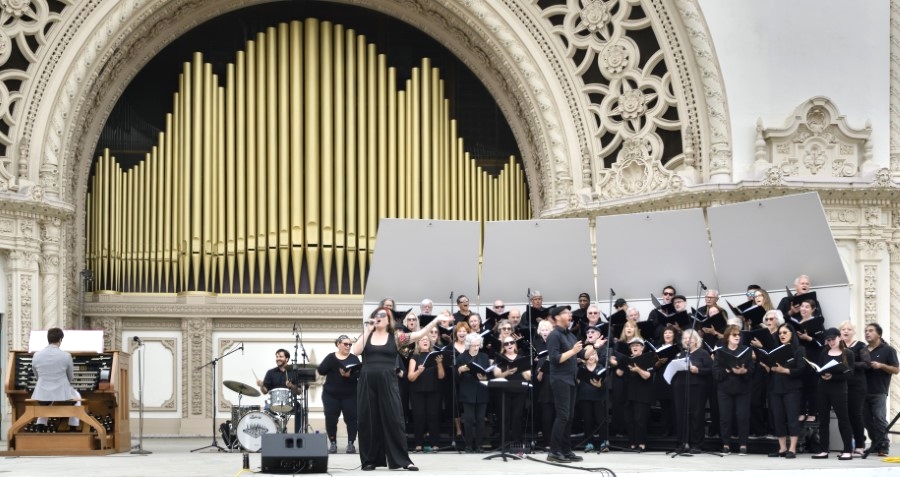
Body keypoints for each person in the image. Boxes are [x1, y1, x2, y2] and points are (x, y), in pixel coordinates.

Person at [351, 306, 451, 471]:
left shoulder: (396, 337)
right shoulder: (367, 335)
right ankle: (370, 460)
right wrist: (368, 329)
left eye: (383, 315)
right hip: (367, 382)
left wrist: (436, 321)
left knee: (394, 419)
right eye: (377, 315)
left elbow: (419, 334)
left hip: (388, 381)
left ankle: (402, 460)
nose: (379, 317)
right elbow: (356, 350)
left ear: (389, 319)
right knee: (368, 420)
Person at [760, 323, 807, 459]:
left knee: (792, 419)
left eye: (785, 332)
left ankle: (792, 449)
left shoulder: (799, 349)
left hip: (792, 389)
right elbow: (772, 369)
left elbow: (802, 369)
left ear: (792, 334)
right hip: (775, 388)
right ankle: (782, 448)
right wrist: (767, 366)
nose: (782, 335)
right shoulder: (775, 349)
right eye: (780, 333)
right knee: (778, 418)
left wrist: (784, 370)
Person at [545, 305, 584, 463]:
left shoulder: (570, 335)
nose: (570, 314)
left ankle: (566, 450)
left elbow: (581, 353)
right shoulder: (554, 335)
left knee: (569, 416)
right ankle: (554, 451)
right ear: (557, 317)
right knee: (562, 416)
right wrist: (573, 352)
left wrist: (594, 346)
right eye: (566, 312)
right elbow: (555, 359)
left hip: (571, 379)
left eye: (569, 312)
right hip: (560, 379)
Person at [810, 328, 855, 460]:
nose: (831, 342)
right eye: (828, 340)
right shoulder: (824, 352)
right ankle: (824, 449)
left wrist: (833, 377)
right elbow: (819, 369)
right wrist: (821, 373)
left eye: (833, 339)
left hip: (839, 389)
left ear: (839, 337)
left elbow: (850, 374)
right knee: (823, 420)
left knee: (843, 419)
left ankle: (847, 450)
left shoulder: (848, 353)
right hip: (823, 388)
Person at [712, 324, 754, 455]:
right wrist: (728, 369)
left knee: (742, 416)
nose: (737, 337)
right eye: (734, 335)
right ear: (727, 337)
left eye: (739, 335)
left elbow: (752, 370)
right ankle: (726, 444)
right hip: (725, 389)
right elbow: (716, 372)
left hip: (742, 388)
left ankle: (743, 445)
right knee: (725, 417)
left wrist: (743, 371)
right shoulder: (720, 351)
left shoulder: (746, 350)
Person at [31, 328, 82, 432]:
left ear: (48, 339)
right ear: (60, 339)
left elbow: (36, 375)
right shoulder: (66, 356)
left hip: (42, 392)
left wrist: (45, 382)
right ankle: (72, 428)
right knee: (77, 397)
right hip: (61, 393)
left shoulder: (36, 355)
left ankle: (40, 427)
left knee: (45, 403)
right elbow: (70, 377)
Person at [317, 335, 361, 454]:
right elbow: (321, 370)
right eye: (345, 344)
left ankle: (351, 443)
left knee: (352, 420)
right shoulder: (331, 358)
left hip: (350, 395)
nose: (348, 346)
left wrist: (349, 375)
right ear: (338, 344)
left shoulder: (354, 359)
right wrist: (333, 366)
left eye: (350, 344)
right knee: (331, 419)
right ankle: (333, 443)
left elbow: (359, 374)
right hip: (331, 395)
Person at [671, 329, 712, 453]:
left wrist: (698, 370)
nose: (686, 341)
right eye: (684, 338)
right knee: (681, 415)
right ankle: (682, 442)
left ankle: (696, 444)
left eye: (689, 338)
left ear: (695, 340)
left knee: (696, 415)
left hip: (697, 387)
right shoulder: (680, 355)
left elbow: (711, 370)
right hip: (681, 387)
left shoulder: (703, 354)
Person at [863, 323, 899, 457]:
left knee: (879, 418)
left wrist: (881, 365)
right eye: (866, 331)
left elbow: (896, 369)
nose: (867, 333)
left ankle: (884, 445)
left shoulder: (888, 350)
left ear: (879, 334)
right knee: (866, 419)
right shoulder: (863, 350)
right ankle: (875, 444)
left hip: (879, 390)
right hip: (863, 390)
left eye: (871, 331)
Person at [407, 336, 445, 453]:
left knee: (433, 417)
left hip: (433, 391)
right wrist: (419, 371)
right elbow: (410, 377)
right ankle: (418, 444)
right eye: (422, 340)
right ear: (418, 343)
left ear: (430, 343)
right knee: (419, 417)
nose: (424, 341)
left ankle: (435, 444)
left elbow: (441, 376)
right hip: (417, 392)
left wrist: (439, 364)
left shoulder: (435, 356)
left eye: (427, 340)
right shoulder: (414, 357)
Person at [493, 335, 532, 446]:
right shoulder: (500, 358)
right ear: (503, 346)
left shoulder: (521, 357)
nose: (509, 345)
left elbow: (528, 376)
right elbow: (496, 375)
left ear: (515, 344)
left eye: (511, 342)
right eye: (506, 343)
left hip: (519, 391)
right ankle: (504, 443)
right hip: (503, 391)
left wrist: (519, 368)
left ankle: (516, 442)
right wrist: (507, 372)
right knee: (504, 417)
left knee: (517, 417)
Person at [839, 320, 870, 457]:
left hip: (857, 385)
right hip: (841, 385)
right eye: (843, 329)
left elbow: (866, 364)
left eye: (849, 329)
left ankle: (860, 445)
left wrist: (848, 364)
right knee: (844, 416)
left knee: (856, 414)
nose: (846, 331)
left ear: (854, 332)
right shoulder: (837, 346)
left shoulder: (861, 346)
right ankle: (848, 446)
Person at [456, 333, 491, 453]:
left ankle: (480, 445)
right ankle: (469, 445)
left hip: (481, 391)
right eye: (473, 345)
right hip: (467, 391)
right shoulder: (461, 357)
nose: (476, 348)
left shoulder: (484, 356)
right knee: (469, 419)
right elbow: (456, 378)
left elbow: (487, 373)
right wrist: (460, 370)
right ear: (468, 345)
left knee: (481, 419)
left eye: (478, 345)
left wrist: (484, 377)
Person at [256, 348, 303, 432]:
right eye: (277, 357)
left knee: (300, 410)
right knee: (266, 410)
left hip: (290, 402)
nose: (278, 358)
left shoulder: (294, 372)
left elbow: (299, 391)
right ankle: (271, 434)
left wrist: (291, 386)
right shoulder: (271, 373)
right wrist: (262, 386)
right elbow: (265, 391)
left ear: (287, 359)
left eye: (281, 356)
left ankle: (298, 435)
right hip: (273, 403)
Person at [620, 337, 653, 452]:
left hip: (642, 395)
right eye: (632, 345)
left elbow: (647, 375)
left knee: (640, 420)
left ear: (642, 348)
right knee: (629, 420)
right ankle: (632, 443)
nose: (634, 347)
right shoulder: (627, 360)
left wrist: (637, 370)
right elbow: (619, 373)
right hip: (628, 394)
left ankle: (641, 444)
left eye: (637, 345)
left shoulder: (648, 358)